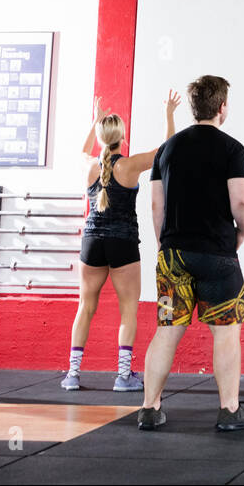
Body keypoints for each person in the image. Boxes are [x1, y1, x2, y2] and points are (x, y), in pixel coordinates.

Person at [138, 75, 244, 431]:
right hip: (218, 257)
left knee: (166, 330)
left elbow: (156, 207)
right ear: (222, 108)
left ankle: (149, 408)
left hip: (173, 257)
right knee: (225, 331)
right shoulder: (232, 149)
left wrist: (165, 247)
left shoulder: (167, 150)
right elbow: (243, 201)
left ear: (193, 108)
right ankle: (229, 412)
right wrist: (243, 232)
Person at [61, 92, 179, 392]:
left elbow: (83, 150)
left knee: (85, 306)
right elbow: (168, 149)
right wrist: (168, 113)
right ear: (122, 137)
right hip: (123, 242)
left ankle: (72, 375)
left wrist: (95, 120)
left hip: (92, 241)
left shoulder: (89, 165)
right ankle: (123, 376)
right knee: (128, 308)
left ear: (101, 136)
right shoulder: (129, 165)